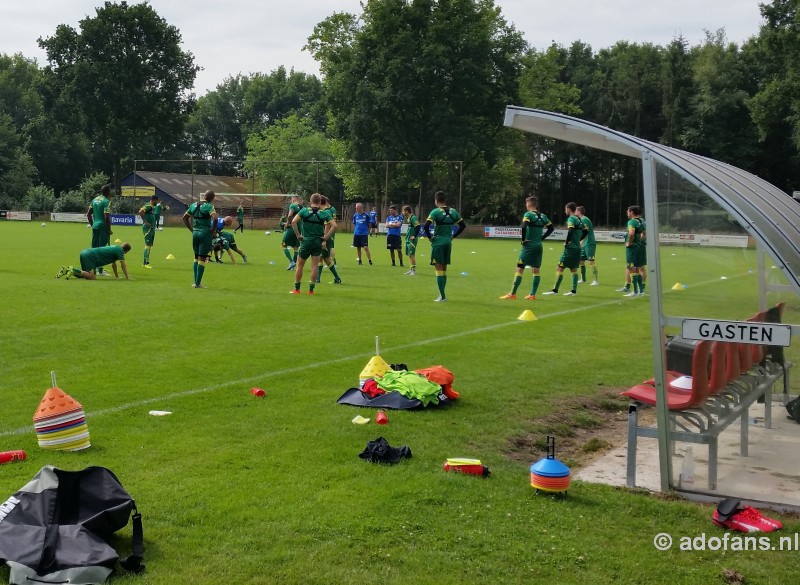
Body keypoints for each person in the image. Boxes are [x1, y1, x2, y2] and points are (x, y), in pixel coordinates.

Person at [500, 196, 554, 300]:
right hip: (539, 245)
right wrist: (542, 238)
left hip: (529, 246)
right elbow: (551, 228)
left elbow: (524, 226)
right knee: (536, 269)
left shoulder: (528, 214)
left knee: (520, 268)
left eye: (526, 204)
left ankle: (512, 294)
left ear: (528, 204)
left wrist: (523, 239)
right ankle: (532, 294)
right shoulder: (543, 216)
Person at [423, 191, 467, 302]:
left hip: (438, 242)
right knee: (444, 269)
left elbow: (426, 226)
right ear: (445, 200)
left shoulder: (435, 212)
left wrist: (430, 238)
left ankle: (442, 296)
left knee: (438, 269)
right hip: (448, 242)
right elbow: (463, 225)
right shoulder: (453, 211)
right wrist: (453, 236)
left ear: (436, 200)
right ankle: (442, 295)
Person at [290, 193, 336, 294]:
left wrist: (298, 235)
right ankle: (311, 290)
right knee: (315, 266)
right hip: (317, 242)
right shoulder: (324, 213)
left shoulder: (304, 211)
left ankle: (297, 289)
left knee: (300, 265)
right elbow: (334, 225)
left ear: (310, 201)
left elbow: (293, 222)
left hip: (306, 240)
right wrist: (326, 238)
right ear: (319, 202)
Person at [542, 202, 588, 296]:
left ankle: (555, 290)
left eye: (565, 209)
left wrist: (567, 242)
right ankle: (573, 291)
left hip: (570, 248)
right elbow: (586, 231)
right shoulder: (579, 219)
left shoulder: (571, 218)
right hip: (578, 248)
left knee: (560, 267)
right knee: (573, 269)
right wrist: (578, 240)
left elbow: (570, 230)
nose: (565, 211)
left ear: (569, 209)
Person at [182, 190, 218, 289]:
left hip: (195, 233)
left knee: (196, 257)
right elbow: (215, 218)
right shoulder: (209, 206)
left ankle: (195, 282)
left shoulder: (193, 205)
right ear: (211, 198)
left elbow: (184, 218)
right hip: (204, 233)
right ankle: (198, 284)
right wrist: (213, 230)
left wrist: (191, 230)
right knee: (202, 258)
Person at [56, 243, 131, 280]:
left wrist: (117, 276)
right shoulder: (120, 251)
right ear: (126, 251)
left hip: (85, 252)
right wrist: (127, 278)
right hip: (90, 256)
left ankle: (65, 270)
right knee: (92, 277)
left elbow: (114, 265)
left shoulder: (115, 247)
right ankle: (72, 269)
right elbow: (123, 265)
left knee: (84, 274)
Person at [87, 184, 113, 275]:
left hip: (95, 226)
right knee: (102, 248)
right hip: (103, 227)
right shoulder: (106, 201)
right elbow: (107, 216)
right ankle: (100, 270)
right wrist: (109, 229)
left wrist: (92, 224)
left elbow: (88, 214)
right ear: (108, 192)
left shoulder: (94, 200)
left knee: (94, 247)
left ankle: (93, 267)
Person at [316, 196, 342, 284]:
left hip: (325, 238)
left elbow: (327, 226)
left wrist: (324, 240)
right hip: (326, 238)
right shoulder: (326, 211)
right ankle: (319, 279)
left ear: (320, 203)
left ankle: (335, 278)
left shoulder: (326, 212)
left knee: (323, 258)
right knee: (323, 258)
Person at [623, 204, 647, 297]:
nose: (627, 213)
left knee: (631, 268)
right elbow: (644, 234)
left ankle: (635, 291)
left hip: (633, 248)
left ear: (631, 212)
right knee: (638, 268)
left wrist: (629, 242)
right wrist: (639, 242)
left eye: (627, 212)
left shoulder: (632, 222)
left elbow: (632, 233)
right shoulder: (642, 221)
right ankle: (641, 291)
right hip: (640, 247)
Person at [576, 205, 599, 286]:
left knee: (591, 261)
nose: (575, 212)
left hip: (589, 243)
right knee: (581, 261)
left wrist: (580, 242)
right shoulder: (581, 220)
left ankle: (595, 280)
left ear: (579, 212)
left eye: (576, 211)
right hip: (584, 243)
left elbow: (585, 232)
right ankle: (583, 279)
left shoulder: (584, 219)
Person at [281, 195, 303, 270]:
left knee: (283, 245)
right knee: (296, 247)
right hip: (299, 228)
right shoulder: (301, 207)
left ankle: (291, 262)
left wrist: (287, 224)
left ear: (293, 199)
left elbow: (290, 215)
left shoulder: (293, 205)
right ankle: (293, 266)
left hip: (292, 228)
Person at [138, 195, 160, 268]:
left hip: (152, 228)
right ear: (153, 200)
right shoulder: (148, 206)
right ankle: (145, 263)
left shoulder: (152, 207)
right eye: (156, 201)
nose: (157, 202)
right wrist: (145, 222)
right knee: (147, 245)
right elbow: (140, 212)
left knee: (149, 245)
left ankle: (146, 262)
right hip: (148, 229)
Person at [402, 205, 420, 275]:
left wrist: (414, 236)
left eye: (403, 211)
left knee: (412, 254)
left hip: (412, 239)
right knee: (409, 254)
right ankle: (411, 269)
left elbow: (418, 226)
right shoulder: (408, 218)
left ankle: (414, 271)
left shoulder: (413, 217)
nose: (403, 212)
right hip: (408, 238)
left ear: (407, 211)